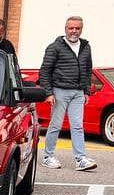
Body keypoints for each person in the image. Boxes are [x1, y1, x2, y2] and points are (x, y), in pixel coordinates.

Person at [40, 15, 97, 171]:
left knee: (78, 126)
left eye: (77, 28)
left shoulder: (86, 47)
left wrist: (86, 91)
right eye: (71, 28)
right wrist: (48, 93)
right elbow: (45, 70)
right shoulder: (55, 47)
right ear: (65, 29)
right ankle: (48, 156)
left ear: (81, 29)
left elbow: (87, 70)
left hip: (78, 92)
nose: (74, 31)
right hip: (59, 91)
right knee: (55, 125)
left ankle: (81, 159)